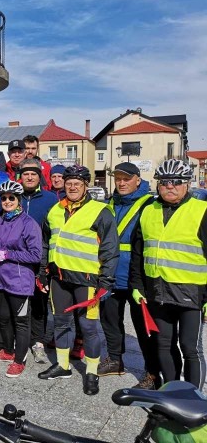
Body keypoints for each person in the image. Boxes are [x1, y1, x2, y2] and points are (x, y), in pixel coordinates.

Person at [38, 165, 119, 396]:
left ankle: (91, 372)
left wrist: (106, 281)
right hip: (59, 278)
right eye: (69, 182)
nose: (72, 186)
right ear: (63, 184)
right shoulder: (54, 210)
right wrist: (43, 271)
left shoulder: (100, 211)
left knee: (89, 327)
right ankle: (63, 366)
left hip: (88, 280)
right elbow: (47, 243)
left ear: (86, 186)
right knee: (62, 323)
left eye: (78, 183)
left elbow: (110, 249)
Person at [130, 159, 207, 389]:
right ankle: (172, 392)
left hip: (191, 293)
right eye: (164, 182)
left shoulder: (201, 211)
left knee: (190, 348)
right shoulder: (148, 210)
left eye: (176, 182)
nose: (169, 186)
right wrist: (137, 285)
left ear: (186, 184)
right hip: (157, 291)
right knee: (163, 344)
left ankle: (194, 400)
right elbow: (138, 251)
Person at [98, 162, 159, 389]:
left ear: (138, 180)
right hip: (110, 272)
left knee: (144, 328)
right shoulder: (109, 204)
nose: (121, 183)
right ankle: (115, 359)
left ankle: (152, 372)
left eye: (126, 179)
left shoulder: (149, 205)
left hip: (137, 276)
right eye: (118, 179)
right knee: (110, 320)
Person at [0, 181, 42, 377]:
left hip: (19, 282)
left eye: (12, 198)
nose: (7, 201)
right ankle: (8, 351)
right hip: (0, 279)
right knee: (3, 318)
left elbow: (36, 255)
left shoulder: (29, 223)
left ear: (18, 200)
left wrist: (9, 254)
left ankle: (20, 359)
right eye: (4, 198)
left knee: (21, 322)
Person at [18, 159, 59, 364]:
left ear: (39, 176)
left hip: (41, 259)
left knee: (39, 303)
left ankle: (38, 342)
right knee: (19, 303)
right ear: (20, 176)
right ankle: (20, 341)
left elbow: (56, 231)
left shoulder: (50, 199)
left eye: (34, 173)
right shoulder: (13, 197)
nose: (30, 177)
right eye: (26, 174)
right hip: (17, 260)